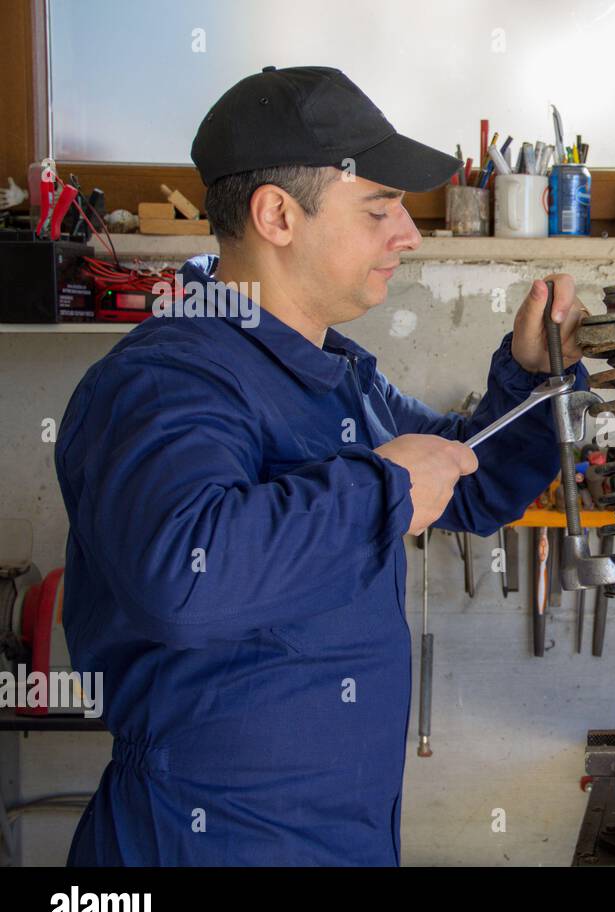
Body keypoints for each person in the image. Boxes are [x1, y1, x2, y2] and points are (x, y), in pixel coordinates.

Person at [54, 66, 587, 865]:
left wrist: (534, 375)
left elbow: (468, 486)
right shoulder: (167, 380)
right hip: (202, 838)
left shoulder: (337, 373)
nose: (408, 234)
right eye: (380, 208)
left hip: (337, 832)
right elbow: (183, 579)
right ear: (277, 216)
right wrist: (387, 486)